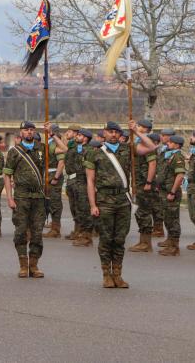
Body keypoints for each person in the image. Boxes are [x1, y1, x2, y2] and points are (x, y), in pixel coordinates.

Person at [5, 122, 65, 278]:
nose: (29, 132)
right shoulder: (14, 151)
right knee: (20, 232)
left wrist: (52, 134)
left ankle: (34, 265)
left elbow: (65, 150)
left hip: (38, 197)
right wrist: (9, 198)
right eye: (26, 130)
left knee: (37, 233)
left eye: (31, 130)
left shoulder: (43, 148)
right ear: (21, 133)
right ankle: (23, 265)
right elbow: (7, 175)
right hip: (21, 197)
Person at [85, 122, 132, 289]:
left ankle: (117, 275)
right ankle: (106, 274)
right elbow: (90, 181)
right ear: (104, 133)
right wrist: (92, 204)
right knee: (106, 239)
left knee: (119, 239)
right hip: (104, 200)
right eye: (110, 132)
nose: (113, 134)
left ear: (120, 134)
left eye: (116, 132)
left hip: (123, 200)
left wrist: (135, 131)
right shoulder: (94, 152)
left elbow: (149, 148)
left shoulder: (127, 150)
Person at [127, 120, 159, 252]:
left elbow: (152, 165)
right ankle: (143, 241)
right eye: (138, 126)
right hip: (138, 183)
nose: (138, 128)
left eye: (141, 127)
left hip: (144, 184)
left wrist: (148, 183)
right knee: (139, 212)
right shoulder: (138, 143)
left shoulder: (148, 144)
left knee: (144, 212)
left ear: (146, 130)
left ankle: (146, 243)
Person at [157, 136, 187, 256]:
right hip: (165, 191)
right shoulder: (169, 155)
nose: (168, 143)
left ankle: (174, 247)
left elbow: (179, 176)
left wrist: (173, 192)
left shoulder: (177, 157)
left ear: (177, 145)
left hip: (171, 193)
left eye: (171, 142)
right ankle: (170, 243)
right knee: (168, 218)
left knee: (173, 220)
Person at [68, 128, 95, 247]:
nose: (76, 136)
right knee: (77, 209)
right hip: (74, 181)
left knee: (85, 210)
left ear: (85, 138)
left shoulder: (90, 150)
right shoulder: (73, 149)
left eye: (79, 135)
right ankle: (80, 232)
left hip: (84, 182)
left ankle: (87, 236)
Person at [43, 125, 66, 239]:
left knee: (55, 202)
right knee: (49, 202)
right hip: (47, 174)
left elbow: (61, 162)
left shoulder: (56, 143)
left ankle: (56, 229)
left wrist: (56, 177)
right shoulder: (49, 143)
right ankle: (53, 225)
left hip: (53, 174)